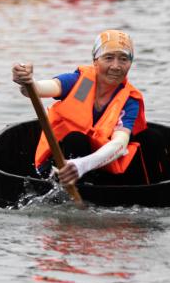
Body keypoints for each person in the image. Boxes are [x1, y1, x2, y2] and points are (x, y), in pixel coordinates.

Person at [11, 30, 161, 188]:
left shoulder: (128, 100)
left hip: (93, 165)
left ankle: (150, 194)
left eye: (123, 59)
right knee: (76, 139)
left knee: (152, 138)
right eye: (108, 58)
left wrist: (81, 165)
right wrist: (26, 82)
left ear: (130, 63)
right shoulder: (82, 85)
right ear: (95, 61)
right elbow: (35, 90)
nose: (116, 66)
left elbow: (120, 143)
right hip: (58, 166)